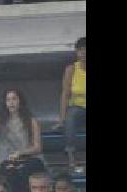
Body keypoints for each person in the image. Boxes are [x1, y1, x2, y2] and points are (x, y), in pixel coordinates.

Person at [0, 89, 46, 192]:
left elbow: (37, 147)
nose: (11, 102)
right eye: (8, 99)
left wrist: (20, 153)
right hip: (7, 160)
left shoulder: (32, 121)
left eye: (14, 99)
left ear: (20, 101)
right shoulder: (0, 120)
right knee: (10, 172)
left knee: (26, 170)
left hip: (29, 158)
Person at [58, 37, 87, 172]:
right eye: (81, 50)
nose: (84, 53)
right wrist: (62, 118)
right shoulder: (71, 69)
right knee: (70, 116)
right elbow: (65, 94)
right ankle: (71, 156)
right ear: (77, 52)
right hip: (77, 108)